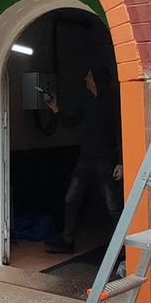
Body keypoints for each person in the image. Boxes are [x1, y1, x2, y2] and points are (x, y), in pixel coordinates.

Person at [44, 64, 123, 255]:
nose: (85, 79)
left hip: (106, 160)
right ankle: (67, 240)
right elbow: (72, 122)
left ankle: (121, 245)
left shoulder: (111, 104)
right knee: (71, 198)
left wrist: (121, 162)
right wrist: (55, 108)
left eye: (89, 76)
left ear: (97, 79)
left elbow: (120, 132)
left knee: (112, 205)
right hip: (86, 158)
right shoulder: (86, 101)